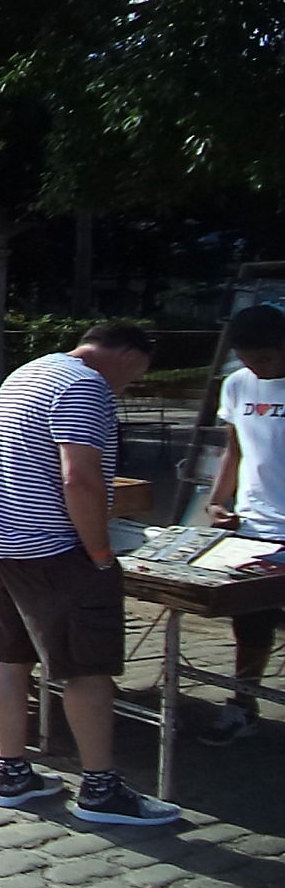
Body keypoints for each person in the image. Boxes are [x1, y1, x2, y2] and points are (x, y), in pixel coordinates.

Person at [0, 322, 179, 826]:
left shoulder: (29, 372)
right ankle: (100, 789)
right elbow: (79, 477)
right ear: (129, 356)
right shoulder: (86, 386)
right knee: (86, 668)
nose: (128, 387)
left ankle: (12, 772)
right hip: (52, 549)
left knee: (7, 655)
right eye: (136, 375)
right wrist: (100, 551)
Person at [203, 304, 285, 745]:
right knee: (251, 622)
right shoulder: (237, 384)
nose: (256, 367)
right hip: (255, 525)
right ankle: (243, 702)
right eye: (248, 359)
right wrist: (218, 500)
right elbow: (233, 449)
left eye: (266, 359)